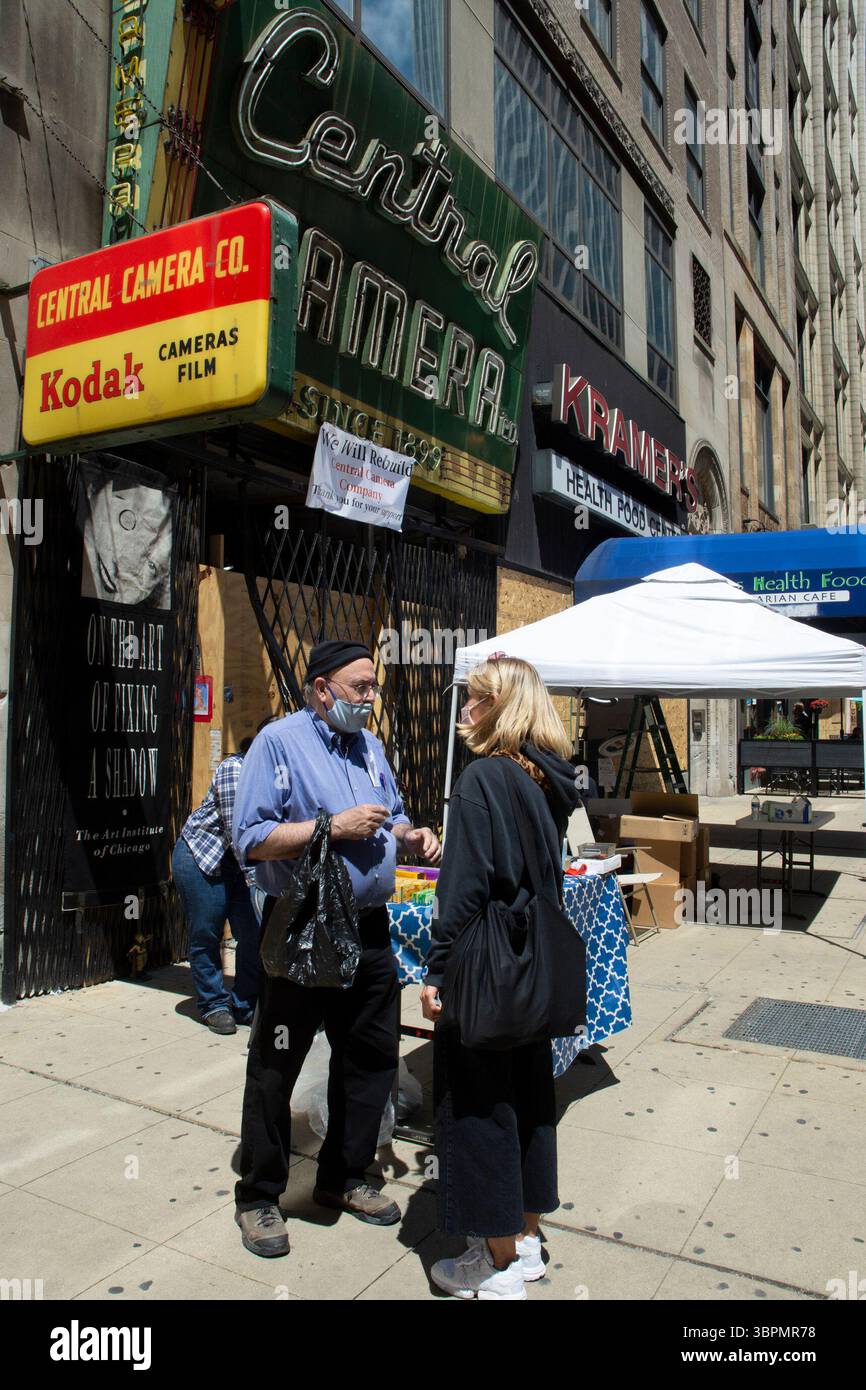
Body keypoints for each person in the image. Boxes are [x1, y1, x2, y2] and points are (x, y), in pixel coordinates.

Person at [231, 639, 441, 1258]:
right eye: (360, 687)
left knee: (370, 1058)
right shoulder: (278, 742)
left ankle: (343, 1178)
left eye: (373, 687)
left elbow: (393, 815)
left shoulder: (370, 746)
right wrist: (331, 827)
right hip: (306, 926)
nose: (370, 699)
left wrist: (411, 834)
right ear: (321, 688)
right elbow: (252, 839)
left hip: (372, 928)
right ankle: (261, 1197)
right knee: (278, 1063)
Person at [420, 656, 582, 1300]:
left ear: (502, 707)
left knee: (478, 1102)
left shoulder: (484, 777)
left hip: (486, 961)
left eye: (476, 699)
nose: (465, 709)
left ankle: (494, 1261)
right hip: (534, 961)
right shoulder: (547, 778)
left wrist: (437, 966)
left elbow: (462, 888)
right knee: (530, 1096)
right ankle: (528, 1237)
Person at [171, 739, 261, 1034]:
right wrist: (258, 881)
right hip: (202, 859)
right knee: (207, 932)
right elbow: (241, 832)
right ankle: (214, 1005)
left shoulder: (276, 779)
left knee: (253, 934)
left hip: (237, 865)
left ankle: (245, 1003)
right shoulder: (235, 769)